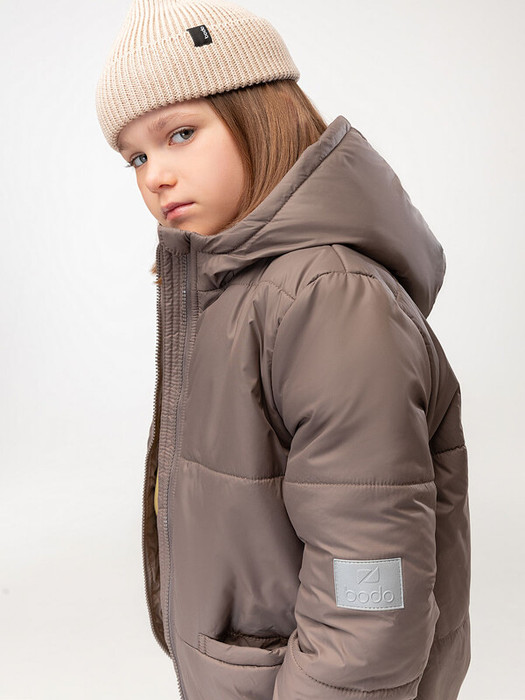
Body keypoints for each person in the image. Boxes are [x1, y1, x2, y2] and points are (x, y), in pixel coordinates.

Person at [95, 1, 471, 699]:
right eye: (136, 157)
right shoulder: (243, 293)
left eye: (181, 133)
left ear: (258, 112)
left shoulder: (326, 298)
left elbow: (369, 586)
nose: (154, 175)